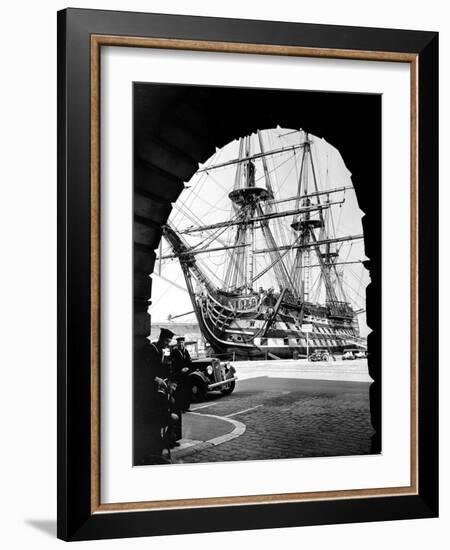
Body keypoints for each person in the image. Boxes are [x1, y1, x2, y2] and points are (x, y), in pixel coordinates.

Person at [171, 336, 192, 413]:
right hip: (179, 375)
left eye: (182, 343)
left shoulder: (186, 351)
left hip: (186, 375)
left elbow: (189, 362)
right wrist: (180, 370)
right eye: (179, 343)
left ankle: (186, 407)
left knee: (187, 391)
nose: (181, 344)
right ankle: (180, 408)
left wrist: (187, 368)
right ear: (177, 344)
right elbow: (173, 364)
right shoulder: (175, 352)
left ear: (184, 343)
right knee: (180, 392)